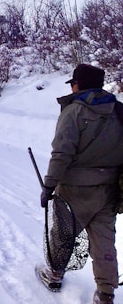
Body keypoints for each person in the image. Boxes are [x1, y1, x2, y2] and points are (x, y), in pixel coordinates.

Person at [36, 64, 123, 304]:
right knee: (104, 240)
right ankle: (106, 293)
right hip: (109, 190)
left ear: (79, 84)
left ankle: (54, 275)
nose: (72, 87)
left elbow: (61, 154)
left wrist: (48, 186)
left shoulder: (74, 111)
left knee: (63, 234)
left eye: (73, 83)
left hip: (73, 190)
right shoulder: (118, 111)